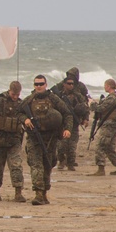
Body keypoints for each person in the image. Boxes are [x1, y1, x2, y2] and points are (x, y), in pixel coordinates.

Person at [18, 74, 73, 206]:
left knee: (48, 164)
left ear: (46, 84)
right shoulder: (29, 100)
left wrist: (68, 129)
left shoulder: (54, 99)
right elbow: (18, 112)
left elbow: (67, 114)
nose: (39, 86)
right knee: (36, 165)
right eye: (36, 84)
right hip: (34, 138)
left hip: (51, 139)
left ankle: (44, 193)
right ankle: (38, 193)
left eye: (41, 84)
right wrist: (24, 119)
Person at [89, 78, 116, 176]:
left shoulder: (112, 98)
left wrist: (92, 103)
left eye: (105, 85)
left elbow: (100, 109)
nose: (104, 87)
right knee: (109, 148)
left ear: (108, 86)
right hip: (112, 125)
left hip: (109, 125)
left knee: (100, 146)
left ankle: (101, 169)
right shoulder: (115, 97)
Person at [54, 76, 90, 171]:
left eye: (72, 84)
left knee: (72, 146)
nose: (71, 86)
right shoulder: (59, 96)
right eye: (69, 84)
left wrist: (86, 118)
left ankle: (70, 163)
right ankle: (61, 161)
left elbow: (85, 107)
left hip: (74, 123)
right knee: (61, 145)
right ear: (64, 84)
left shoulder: (78, 96)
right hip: (62, 123)